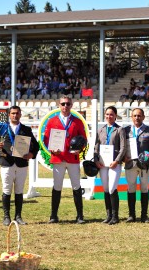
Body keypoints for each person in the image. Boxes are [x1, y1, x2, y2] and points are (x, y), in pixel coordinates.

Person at [44, 95, 87, 224]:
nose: (65, 106)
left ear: (71, 105)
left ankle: (80, 216)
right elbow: (46, 138)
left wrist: (80, 148)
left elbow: (83, 139)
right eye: (63, 104)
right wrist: (52, 149)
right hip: (58, 158)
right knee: (57, 186)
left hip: (73, 158)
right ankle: (53, 215)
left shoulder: (77, 121)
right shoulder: (52, 121)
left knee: (76, 186)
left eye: (68, 104)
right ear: (59, 105)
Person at [0, 106, 39, 226]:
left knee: (19, 191)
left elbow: (36, 146)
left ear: (20, 114)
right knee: (6, 190)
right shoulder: (2, 128)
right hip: (6, 163)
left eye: (17, 113)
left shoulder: (26, 130)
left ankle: (18, 216)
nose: (15, 115)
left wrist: (31, 154)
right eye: (13, 113)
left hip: (21, 164)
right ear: (9, 114)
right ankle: (6, 216)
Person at [94, 106, 127, 225]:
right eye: (107, 114)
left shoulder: (120, 130)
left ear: (115, 116)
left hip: (114, 163)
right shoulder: (101, 129)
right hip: (103, 163)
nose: (109, 116)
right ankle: (108, 215)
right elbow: (96, 147)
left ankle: (115, 216)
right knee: (106, 189)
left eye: (111, 114)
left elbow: (123, 147)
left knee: (112, 187)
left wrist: (117, 161)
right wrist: (96, 160)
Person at [123, 108, 149, 223]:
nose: (137, 118)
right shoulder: (126, 130)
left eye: (139, 115)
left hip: (144, 165)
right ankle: (131, 215)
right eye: (135, 116)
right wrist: (123, 158)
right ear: (131, 117)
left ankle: (144, 215)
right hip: (130, 163)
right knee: (131, 188)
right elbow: (122, 147)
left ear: (143, 117)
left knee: (144, 188)